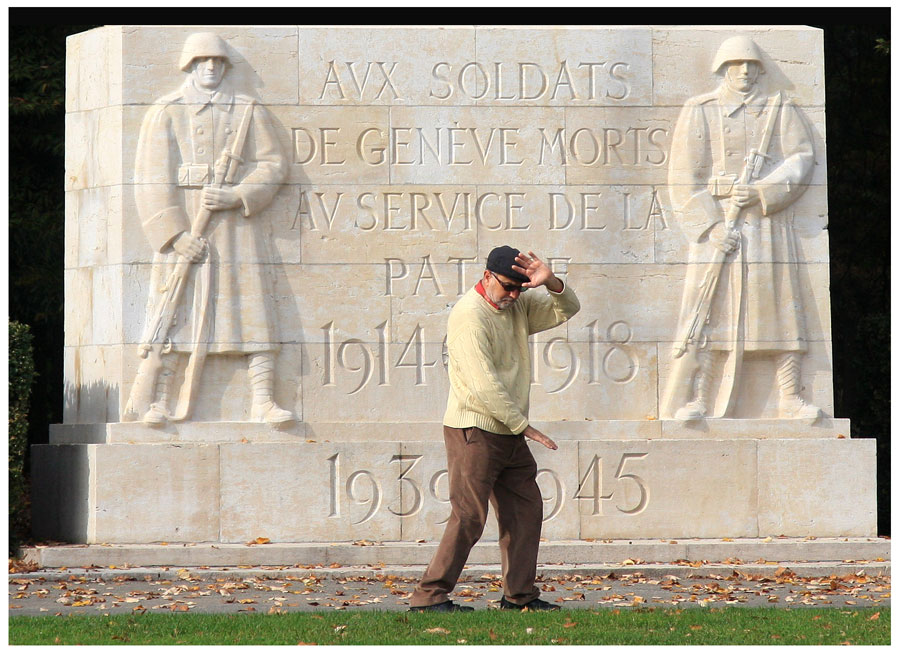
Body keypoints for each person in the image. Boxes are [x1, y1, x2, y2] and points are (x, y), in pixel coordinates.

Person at [128, 32, 293, 424]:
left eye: (218, 62)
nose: (211, 68)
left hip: (236, 228)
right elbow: (151, 179)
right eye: (203, 61)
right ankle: (159, 401)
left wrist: (238, 195)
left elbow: (272, 164)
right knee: (174, 312)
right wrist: (174, 235)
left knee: (252, 309)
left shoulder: (248, 110)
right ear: (189, 65)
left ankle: (263, 399)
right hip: (186, 223)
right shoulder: (167, 111)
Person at [409, 246, 580, 612]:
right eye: (508, 287)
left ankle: (519, 597)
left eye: (522, 289)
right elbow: (483, 385)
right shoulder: (469, 317)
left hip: (509, 431)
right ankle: (428, 597)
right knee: (469, 516)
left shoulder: (514, 305)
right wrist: (525, 427)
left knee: (525, 510)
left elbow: (567, 309)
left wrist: (551, 282)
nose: (514, 296)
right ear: (487, 276)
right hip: (475, 429)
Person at [662, 36, 821, 421]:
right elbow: (683, 177)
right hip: (720, 226)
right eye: (737, 65)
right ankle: (699, 398)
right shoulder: (701, 110)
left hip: (765, 227)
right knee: (710, 314)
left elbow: (801, 158)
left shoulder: (778, 108)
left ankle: (789, 396)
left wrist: (763, 191)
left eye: (752, 65)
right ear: (723, 68)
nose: (746, 72)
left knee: (781, 311)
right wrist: (711, 227)